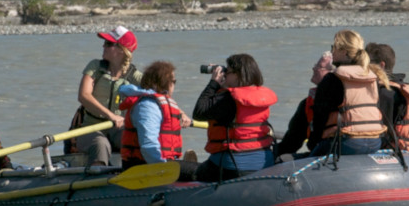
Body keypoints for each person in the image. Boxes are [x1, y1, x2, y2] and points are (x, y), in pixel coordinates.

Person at [192, 53, 278, 182]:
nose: (225, 75)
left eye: (228, 72)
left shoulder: (228, 98)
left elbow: (199, 112)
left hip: (232, 166)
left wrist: (213, 83)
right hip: (264, 163)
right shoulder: (259, 96)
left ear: (238, 75)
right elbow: (225, 107)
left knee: (183, 169)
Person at [66, 26, 142, 166]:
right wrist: (111, 116)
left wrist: (180, 114)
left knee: (135, 139)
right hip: (90, 129)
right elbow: (84, 95)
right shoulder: (95, 66)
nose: (103, 46)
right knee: (101, 144)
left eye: (108, 43)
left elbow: (158, 93)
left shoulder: (135, 76)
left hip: (117, 129)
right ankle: (97, 177)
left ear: (121, 50)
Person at [309, 30, 390, 157]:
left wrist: (313, 145)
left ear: (344, 52)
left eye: (333, 48)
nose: (331, 52)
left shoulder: (333, 79)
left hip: (347, 142)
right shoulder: (373, 76)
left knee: (309, 158)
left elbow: (320, 117)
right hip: (375, 141)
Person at [117, 61, 196, 180]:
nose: (174, 85)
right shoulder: (148, 106)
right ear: (161, 83)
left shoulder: (158, 103)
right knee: (199, 171)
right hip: (144, 166)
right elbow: (149, 145)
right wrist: (163, 170)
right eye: (173, 81)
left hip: (161, 163)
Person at [366, 42, 409, 157]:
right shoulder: (403, 89)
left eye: (367, 63)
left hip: (387, 151)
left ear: (381, 65)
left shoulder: (384, 92)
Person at [276, 51, 335, 157]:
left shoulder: (310, 103)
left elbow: (291, 143)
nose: (314, 68)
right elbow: (293, 139)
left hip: (323, 157)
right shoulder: (351, 99)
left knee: (283, 159)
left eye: (319, 66)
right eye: (315, 65)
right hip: (351, 156)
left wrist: (271, 156)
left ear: (333, 73)